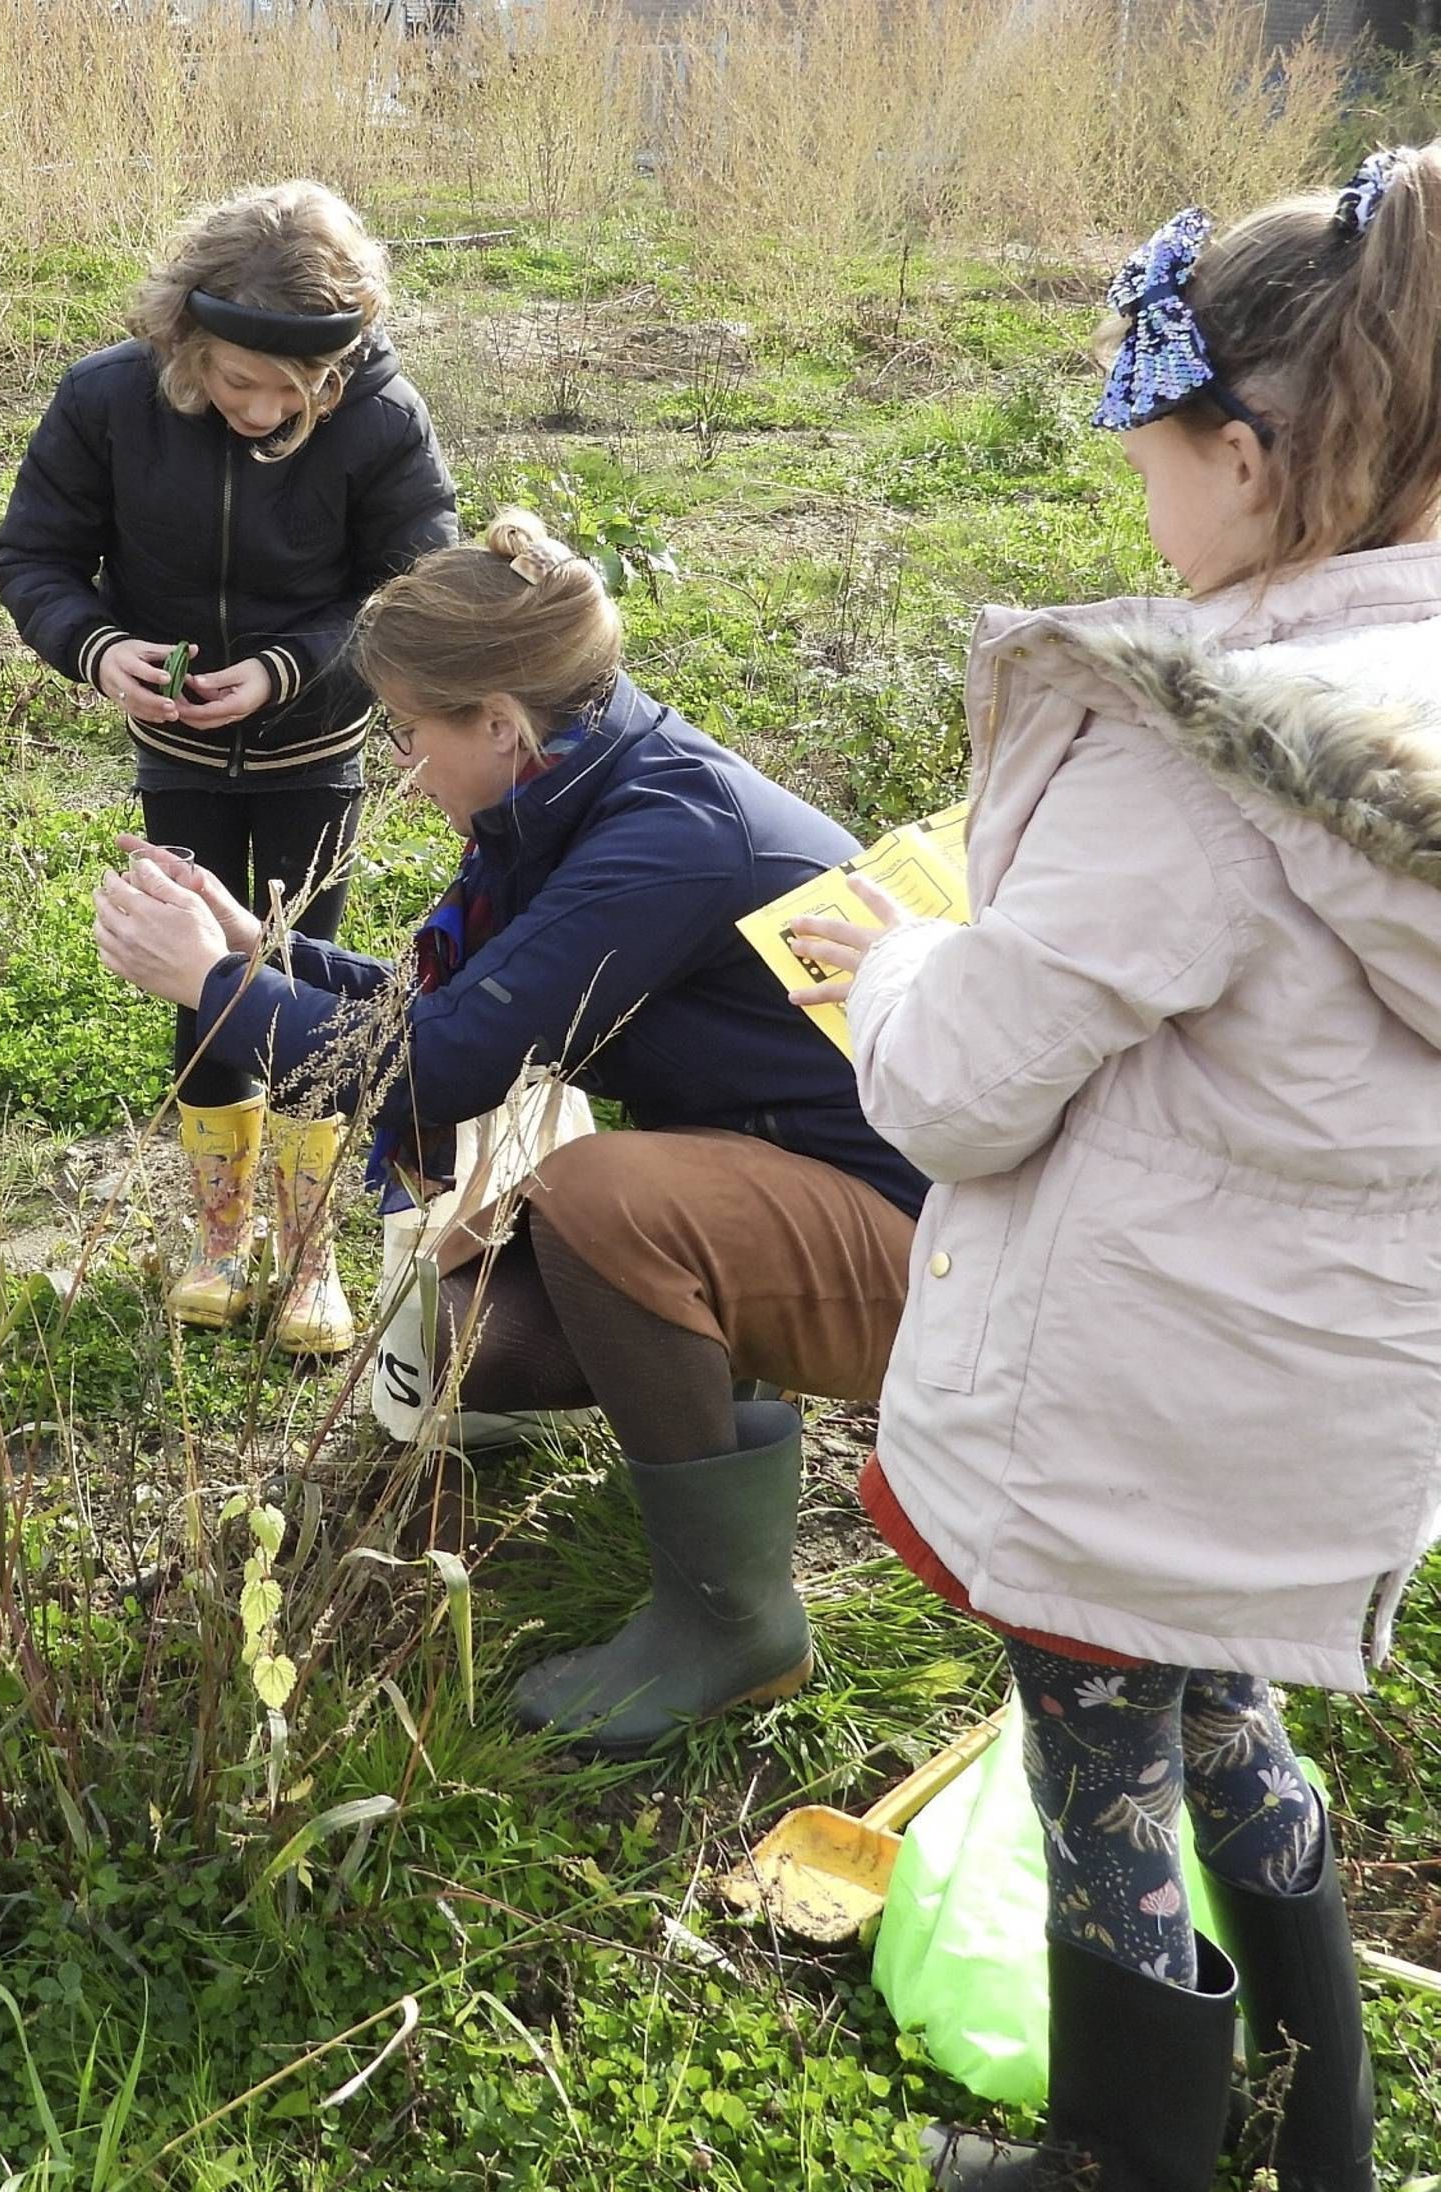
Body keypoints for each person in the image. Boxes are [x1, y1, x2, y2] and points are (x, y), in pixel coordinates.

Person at [789, 149, 1441, 2192]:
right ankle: (1319, 2125)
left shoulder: (1191, 742)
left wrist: (898, 958)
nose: (1136, 498)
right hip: (1324, 1397)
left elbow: (965, 1093)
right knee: (1227, 1711)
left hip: (1134, 1393)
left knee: (1095, 1760)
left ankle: (1124, 2155)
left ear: (1246, 453)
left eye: (1144, 444)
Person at [92, 508, 930, 1755]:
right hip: (804, 1177)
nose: (403, 764)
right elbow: (461, 1007)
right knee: (488, 1342)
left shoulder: (667, 836)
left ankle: (733, 1619)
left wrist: (216, 994)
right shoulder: (584, 786)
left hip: (942, 1247)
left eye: (410, 731)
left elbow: (436, 1071)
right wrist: (262, 954)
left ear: (499, 720)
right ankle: (722, 1463)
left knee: (604, 1193)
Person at [0, 179, 458, 1354]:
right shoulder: (106, 401)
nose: (258, 409)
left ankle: (309, 1252)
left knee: (297, 974)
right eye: (232, 380)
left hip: (315, 754)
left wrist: (289, 672)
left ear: (338, 369)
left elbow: (410, 592)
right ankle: (221, 1236)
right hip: (176, 758)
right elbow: (37, 554)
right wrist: (98, 651)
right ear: (182, 341)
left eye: (290, 393)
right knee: (198, 983)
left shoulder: (383, 419)